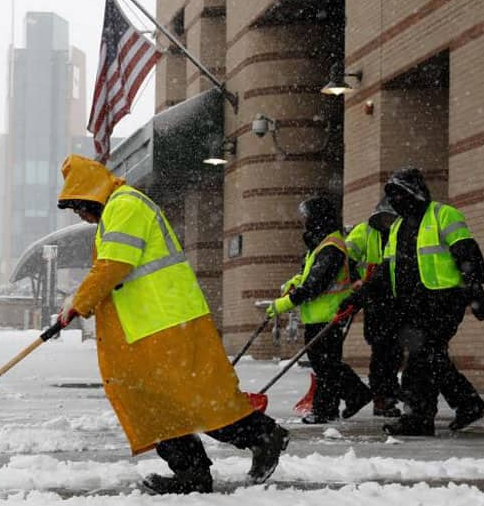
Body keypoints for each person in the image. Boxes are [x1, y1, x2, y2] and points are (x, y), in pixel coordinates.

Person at [55, 154, 288, 495]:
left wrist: (78, 302)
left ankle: (262, 436)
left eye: (79, 207)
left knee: (192, 400)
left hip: (168, 324)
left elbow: (114, 265)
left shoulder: (126, 205)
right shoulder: (116, 213)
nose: (81, 215)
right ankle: (191, 472)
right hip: (145, 329)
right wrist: (79, 304)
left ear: (91, 195)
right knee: (156, 406)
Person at [340, 168, 484, 436]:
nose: (395, 200)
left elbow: (468, 257)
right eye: (392, 195)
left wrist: (476, 295)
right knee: (431, 357)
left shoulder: (443, 214)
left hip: (444, 300)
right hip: (413, 305)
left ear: (414, 192)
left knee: (420, 360)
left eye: (399, 193)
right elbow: (384, 273)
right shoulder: (398, 227)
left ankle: (419, 419)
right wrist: (360, 295)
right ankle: (468, 404)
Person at [267, 196, 373, 424]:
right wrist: (292, 283)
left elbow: (316, 284)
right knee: (324, 362)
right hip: (318, 314)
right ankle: (345, 399)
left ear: (317, 218)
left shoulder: (331, 247)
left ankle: (332, 406)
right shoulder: (319, 244)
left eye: (306, 216)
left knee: (326, 364)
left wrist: (284, 304)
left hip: (330, 312)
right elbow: (308, 275)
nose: (303, 221)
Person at [345, 197, 403, 417]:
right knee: (382, 352)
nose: (387, 222)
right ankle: (382, 397)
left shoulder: (404, 231)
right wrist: (355, 282)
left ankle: (389, 392)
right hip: (375, 300)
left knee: (395, 352)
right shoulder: (364, 232)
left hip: (398, 300)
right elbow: (346, 257)